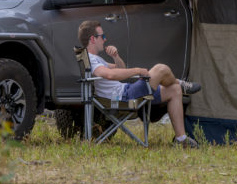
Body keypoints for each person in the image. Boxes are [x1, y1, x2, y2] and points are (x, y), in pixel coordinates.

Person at [78, 20, 201, 148]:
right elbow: (110, 75)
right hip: (123, 96)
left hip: (125, 91)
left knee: (174, 90)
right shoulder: (92, 60)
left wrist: (115, 56)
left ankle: (181, 139)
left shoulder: (96, 58)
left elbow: (120, 68)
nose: (105, 39)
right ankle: (180, 83)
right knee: (160, 69)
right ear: (93, 39)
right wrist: (138, 70)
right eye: (102, 36)